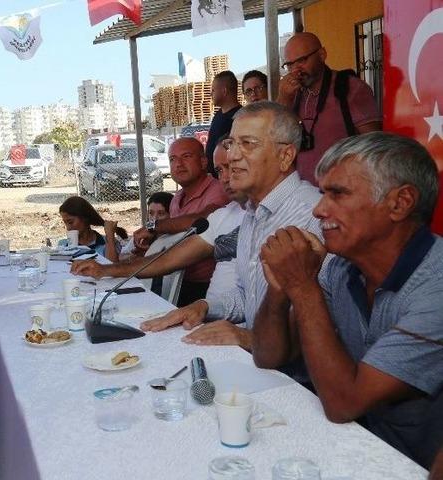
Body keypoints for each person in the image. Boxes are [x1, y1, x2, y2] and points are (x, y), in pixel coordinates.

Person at [252, 132, 443, 468]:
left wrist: (303, 285)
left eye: (337, 194)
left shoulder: (436, 286)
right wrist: (280, 289)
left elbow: (343, 404)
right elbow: (269, 356)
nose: (319, 208)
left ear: (400, 203)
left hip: (407, 465)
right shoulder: (343, 268)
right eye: (323, 192)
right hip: (355, 448)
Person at [73, 138, 246, 346]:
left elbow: (196, 223)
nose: (226, 178)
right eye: (220, 170)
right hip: (206, 310)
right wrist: (106, 269)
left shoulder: (232, 202)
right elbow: (168, 259)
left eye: (231, 167)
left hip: (210, 302)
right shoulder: (224, 214)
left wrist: (152, 228)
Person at [277, 31, 381, 184]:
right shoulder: (292, 93)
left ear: (322, 54)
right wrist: (284, 99)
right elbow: (273, 137)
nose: (295, 70)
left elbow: (376, 146)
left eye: (302, 60)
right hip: (300, 196)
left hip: (342, 192)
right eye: (290, 65)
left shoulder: (350, 88)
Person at [164, 137, 229, 306]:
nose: (178, 164)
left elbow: (202, 219)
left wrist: (153, 227)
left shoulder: (219, 189)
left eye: (186, 156)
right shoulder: (176, 198)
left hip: (209, 288)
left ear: (203, 162)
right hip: (178, 279)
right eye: (173, 159)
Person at [57, 195, 128, 262]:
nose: (68, 228)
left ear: (85, 218)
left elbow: (112, 268)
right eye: (65, 223)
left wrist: (110, 236)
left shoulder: (107, 243)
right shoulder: (63, 245)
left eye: (70, 222)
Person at [205, 70, 242, 173]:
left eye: (213, 90)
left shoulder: (241, 117)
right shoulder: (218, 114)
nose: (210, 94)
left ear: (224, 91)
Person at [119, 191, 173, 260]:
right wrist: (133, 257)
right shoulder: (144, 233)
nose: (154, 218)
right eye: (151, 213)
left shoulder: (175, 237)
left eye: (161, 213)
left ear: (172, 214)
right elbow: (121, 257)